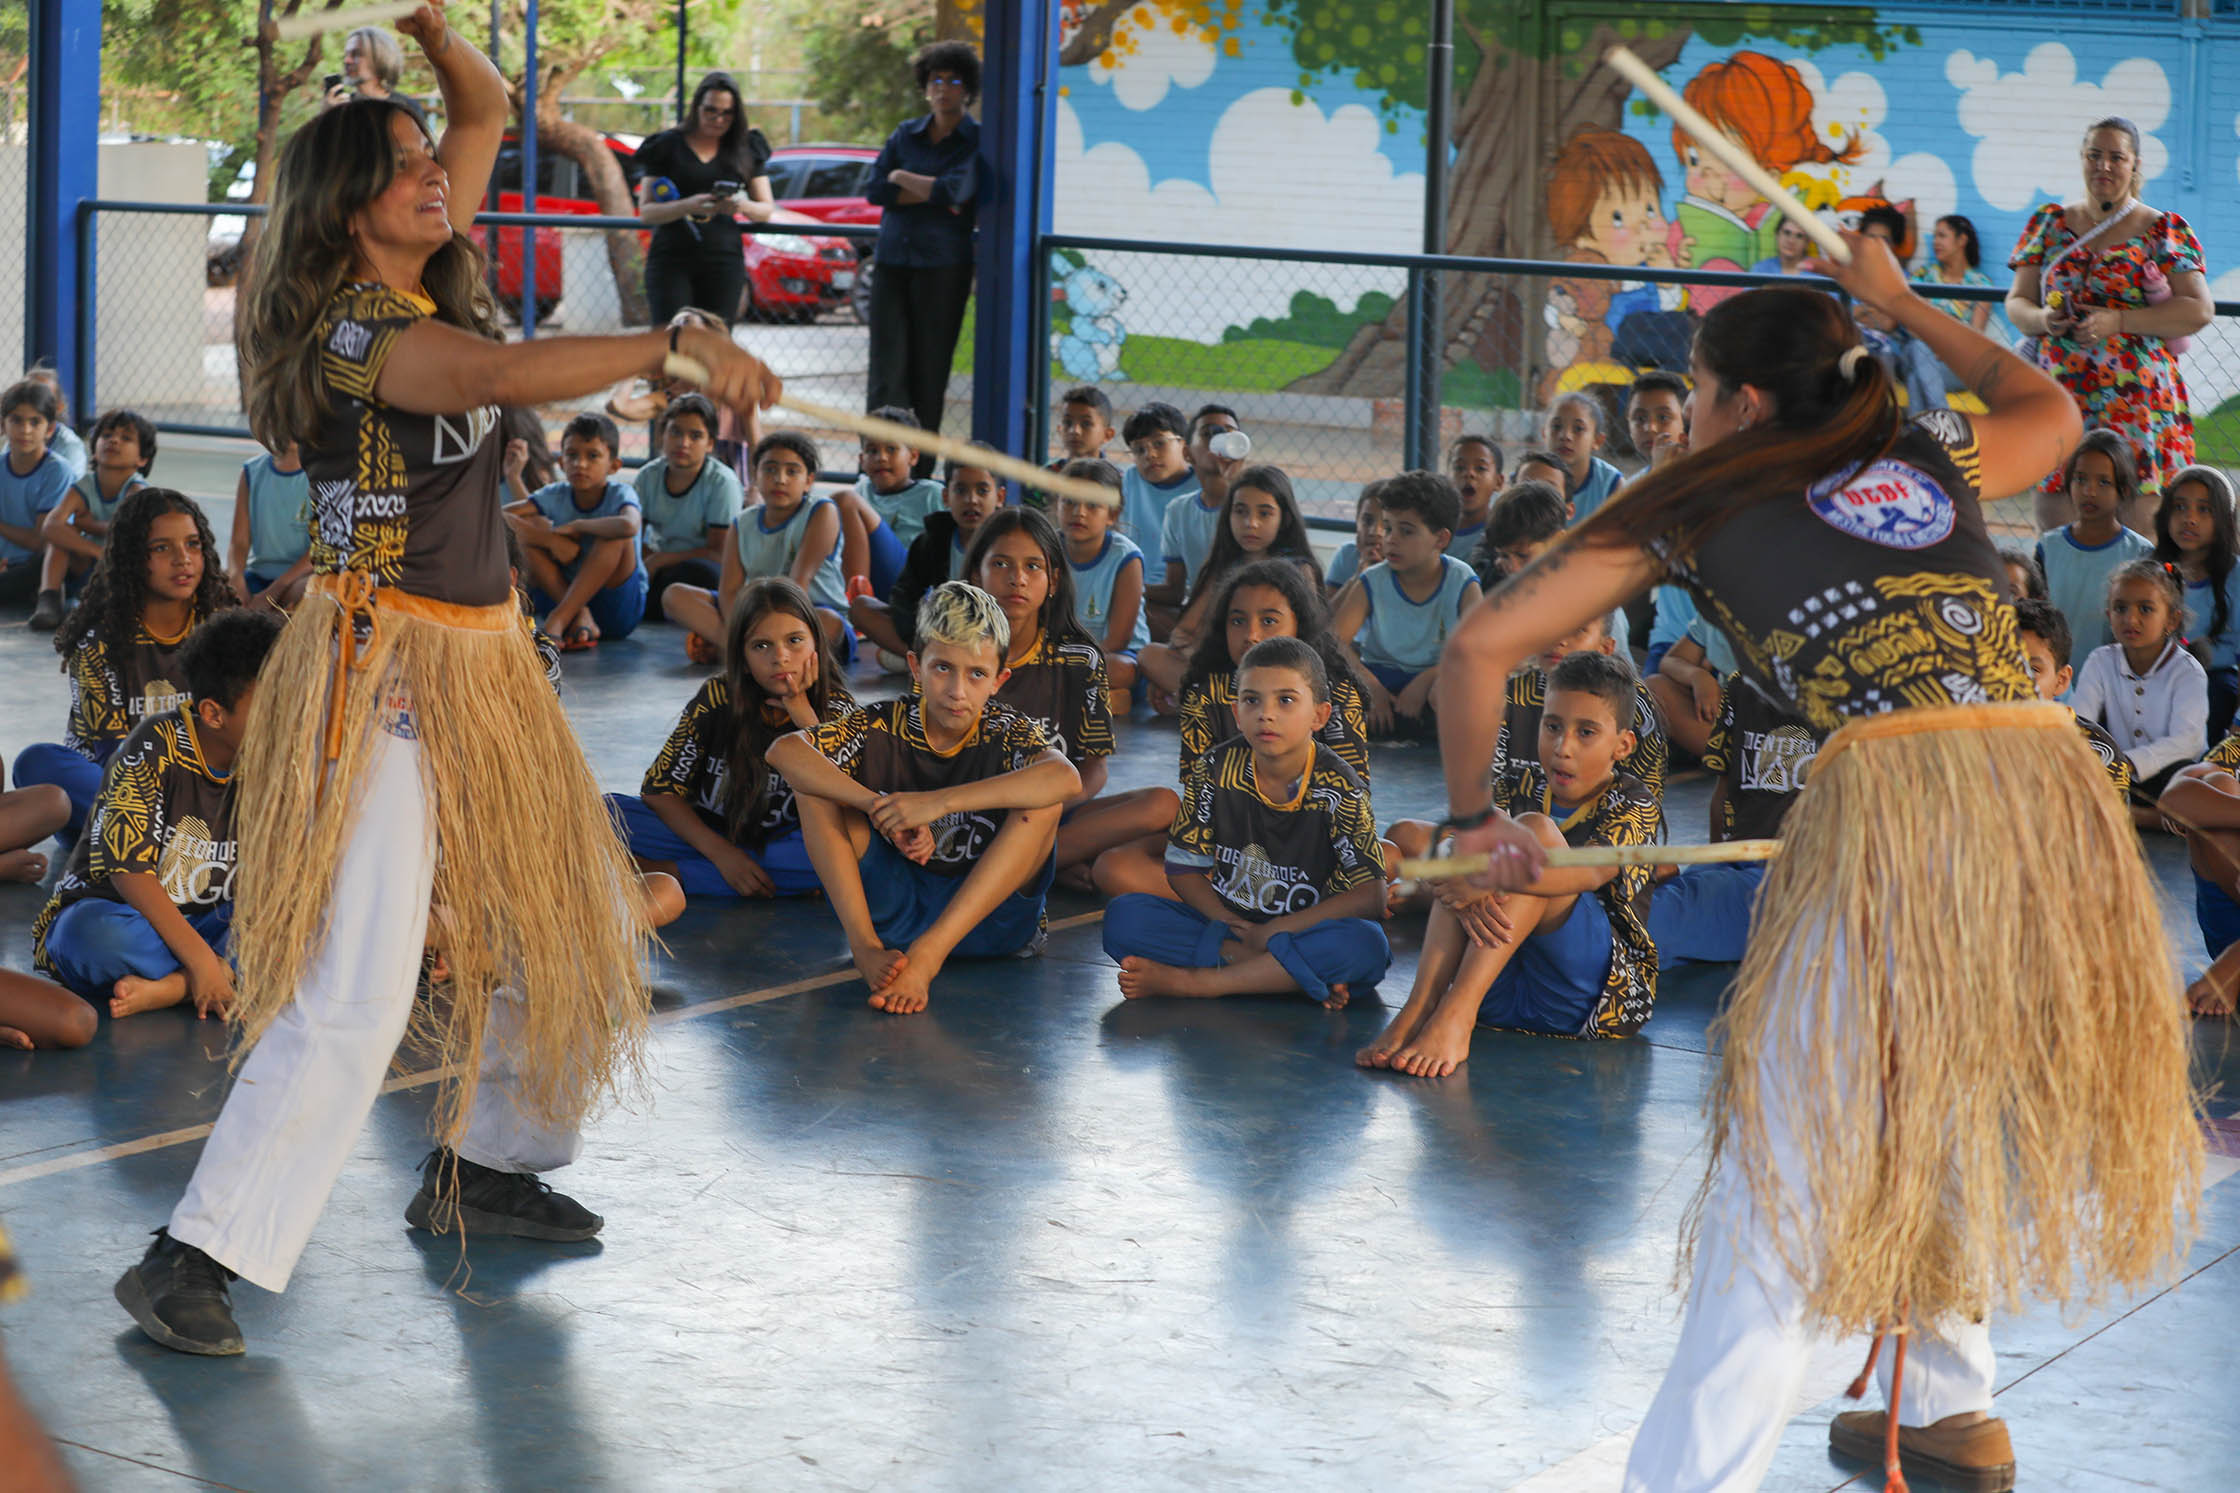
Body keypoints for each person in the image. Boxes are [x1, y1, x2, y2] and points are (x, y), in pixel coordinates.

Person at [1429, 240, 2193, 1493]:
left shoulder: (1690, 496)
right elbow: (2050, 410)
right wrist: (1904, 305)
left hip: (1905, 814)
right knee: (1933, 1095)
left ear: (1738, 403)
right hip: (2045, 809)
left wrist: (1472, 819)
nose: (1682, 415)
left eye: (1695, 390)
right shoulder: (1920, 450)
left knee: (1780, 1160)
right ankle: (1945, 1402)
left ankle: (1685, 1478)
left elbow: (1476, 647)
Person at [111, 11, 782, 1360]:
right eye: (405, 166)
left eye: (431, 163)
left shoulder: (422, 269)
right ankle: (194, 1251)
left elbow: (481, 112)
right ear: (349, 206)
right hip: (386, 669)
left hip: (485, 664)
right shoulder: (354, 331)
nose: (437, 174)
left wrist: (425, 22)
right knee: (360, 982)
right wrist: (667, 346)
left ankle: (487, 1164)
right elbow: (490, 373)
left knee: (565, 925)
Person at [769, 582, 1079, 1016]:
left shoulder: (1006, 729)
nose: (957, 690)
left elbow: (1066, 778)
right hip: (898, 918)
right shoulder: (882, 724)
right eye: (942, 668)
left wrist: (938, 803)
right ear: (915, 666)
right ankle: (864, 947)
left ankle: (930, 954)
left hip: (994, 925)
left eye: (976, 674)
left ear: (999, 680)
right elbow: (784, 751)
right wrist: (880, 808)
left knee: (1044, 801)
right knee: (814, 788)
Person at [1364, 648, 1663, 1077]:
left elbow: (1590, 873)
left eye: (1586, 732)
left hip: (1588, 1000)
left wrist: (1490, 875)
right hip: (1499, 991)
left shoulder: (1635, 802)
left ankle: (1457, 1014)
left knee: (1533, 832)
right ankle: (1421, 1006)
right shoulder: (1518, 783)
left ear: (1623, 745)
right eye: (1552, 726)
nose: (1563, 747)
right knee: (1478, 841)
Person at [1102, 636, 1389, 1009]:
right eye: (1252, 700)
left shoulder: (1339, 785)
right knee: (1124, 918)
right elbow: (1183, 869)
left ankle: (1202, 982)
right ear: (1237, 714)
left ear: (1319, 715)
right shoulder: (1213, 769)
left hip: (1305, 930)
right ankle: (1283, 977)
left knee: (1366, 946)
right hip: (1230, 928)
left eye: (1286, 700)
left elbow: (1371, 895)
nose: (1266, 714)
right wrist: (1228, 921)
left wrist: (1278, 929)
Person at [33, 609, 282, 1021]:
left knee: (307, 925)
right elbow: (129, 873)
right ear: (214, 714)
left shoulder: (281, 758)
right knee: (89, 936)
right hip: (126, 914)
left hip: (212, 920)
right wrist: (201, 960)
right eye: (272, 704)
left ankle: (175, 988)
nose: (288, 716)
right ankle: (216, 974)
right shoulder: (154, 744)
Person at [1092, 559, 1372, 901]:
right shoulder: (1204, 694)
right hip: (1229, 847)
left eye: (1269, 620)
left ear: (1300, 624)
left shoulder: (1337, 693)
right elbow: (1198, 802)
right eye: (1237, 620)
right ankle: (1271, 905)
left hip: (1312, 850)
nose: (1251, 635)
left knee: (1386, 857)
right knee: (1114, 867)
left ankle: (1251, 903)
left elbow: (1355, 802)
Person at [2007, 116, 2212, 526]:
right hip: (2062, 396)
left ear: (2135, 164)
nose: (2104, 165)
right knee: (2057, 517)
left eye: (2116, 157)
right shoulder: (2049, 224)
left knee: (2139, 521)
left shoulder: (2162, 229)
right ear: (2082, 159)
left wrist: (2118, 321)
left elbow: (2198, 309)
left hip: (2136, 401)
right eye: (2094, 155)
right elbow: (2017, 302)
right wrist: (2044, 319)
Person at [610, 577, 851, 908]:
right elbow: (659, 792)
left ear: (817, 647)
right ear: (743, 659)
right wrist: (722, 854)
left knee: (849, 842)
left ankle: (668, 872)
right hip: (703, 835)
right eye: (761, 646)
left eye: (795, 640)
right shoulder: (717, 697)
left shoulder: (836, 707)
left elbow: (851, 797)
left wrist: (805, 720)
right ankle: (736, 877)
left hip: (784, 845)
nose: (780, 657)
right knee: (602, 812)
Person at [14, 488, 235, 848]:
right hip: (118, 790)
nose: (183, 559)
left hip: (198, 789)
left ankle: (163, 838)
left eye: (193, 544)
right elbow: (114, 756)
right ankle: (176, 837)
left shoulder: (220, 629)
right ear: (132, 557)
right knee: (36, 762)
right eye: (161, 548)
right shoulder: (99, 641)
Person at [864, 42, 986, 467]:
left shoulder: (976, 139)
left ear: (968, 90)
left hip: (943, 267)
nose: (943, 89)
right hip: (891, 262)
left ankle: (920, 469)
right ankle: (878, 462)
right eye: (936, 80)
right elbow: (875, 189)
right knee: (886, 371)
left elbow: (955, 191)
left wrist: (902, 178)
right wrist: (928, 189)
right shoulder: (905, 133)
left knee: (929, 373)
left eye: (953, 81)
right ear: (925, 86)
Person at [1647, 675, 1823, 967]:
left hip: (1798, 880)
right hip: (1738, 860)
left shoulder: (1854, 702)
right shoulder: (1742, 686)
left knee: (1642, 920)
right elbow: (1724, 795)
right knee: (1655, 890)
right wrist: (1714, 863)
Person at [1138, 464, 1322, 704]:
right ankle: (1221, 703)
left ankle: (1212, 704)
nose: (1250, 523)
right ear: (1228, 515)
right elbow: (1183, 631)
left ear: (1284, 518)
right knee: (1150, 655)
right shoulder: (1223, 567)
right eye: (1240, 511)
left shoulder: (1299, 570)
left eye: (1264, 513)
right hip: (1225, 670)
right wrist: (1203, 655)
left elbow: (1307, 642)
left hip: (1279, 673)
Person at [666, 430, 851, 659]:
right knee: (675, 596)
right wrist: (739, 626)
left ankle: (740, 652)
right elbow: (729, 591)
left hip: (806, 610)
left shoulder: (822, 511)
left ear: (809, 481)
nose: (780, 479)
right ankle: (747, 651)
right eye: (770, 469)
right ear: (755, 475)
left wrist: (768, 629)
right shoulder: (742, 522)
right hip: (755, 612)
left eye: (792, 471)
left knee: (830, 623)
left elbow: (798, 584)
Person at [1330, 470, 1481, 738]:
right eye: (1389, 527)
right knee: (1330, 686)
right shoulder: (1372, 580)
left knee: (1457, 689)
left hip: (1437, 679)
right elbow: (1334, 642)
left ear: (1441, 539)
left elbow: (1479, 649)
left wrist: (1426, 679)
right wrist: (1371, 686)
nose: (1390, 539)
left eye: (1406, 531)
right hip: (1379, 677)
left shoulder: (1462, 581)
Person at [2069, 558, 2207, 825]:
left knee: (2190, 782)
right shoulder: (2100, 661)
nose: (2130, 619)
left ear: (2172, 619)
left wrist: (2128, 763)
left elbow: (2187, 741)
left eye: (2145, 609)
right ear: (2109, 615)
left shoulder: (2187, 671)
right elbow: (2079, 724)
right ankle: (2143, 818)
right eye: (2120, 608)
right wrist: (2100, 764)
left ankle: (2135, 817)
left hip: (2169, 774)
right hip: (2117, 775)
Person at [633, 72, 775, 326]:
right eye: (711, 111)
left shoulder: (746, 147)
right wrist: (688, 205)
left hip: (723, 257)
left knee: (716, 340)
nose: (718, 119)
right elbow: (646, 212)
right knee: (671, 337)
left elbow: (765, 209)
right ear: (696, 107)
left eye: (727, 113)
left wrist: (739, 206)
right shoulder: (667, 145)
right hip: (671, 257)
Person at [504, 410, 646, 650]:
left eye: (593, 456)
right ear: (561, 462)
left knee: (615, 536)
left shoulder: (620, 494)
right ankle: (578, 613)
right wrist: (550, 540)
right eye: (572, 455)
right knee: (528, 542)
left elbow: (629, 525)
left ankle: (560, 618)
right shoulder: (556, 494)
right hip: (562, 595)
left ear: (614, 465)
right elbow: (501, 516)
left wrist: (578, 526)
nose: (580, 464)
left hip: (616, 610)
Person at [849, 454, 1000, 667]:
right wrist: (918, 632)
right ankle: (927, 659)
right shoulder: (934, 539)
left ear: (1000, 497)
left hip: (990, 637)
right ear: (946, 497)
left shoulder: (1006, 544)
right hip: (943, 633)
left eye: (982, 491)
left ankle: (931, 664)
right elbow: (904, 595)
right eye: (960, 490)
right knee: (861, 608)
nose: (971, 500)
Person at [2035, 430, 2154, 670]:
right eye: (2080, 479)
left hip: (2115, 681)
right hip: (2054, 679)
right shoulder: (2049, 548)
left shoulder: (2140, 554)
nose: (2089, 491)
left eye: (2103, 482)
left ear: (2124, 490)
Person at [37, 407, 155, 617]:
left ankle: (94, 602)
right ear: (94, 448)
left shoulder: (137, 490)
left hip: (121, 568)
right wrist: (97, 552)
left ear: (142, 459)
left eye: (126, 438)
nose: (114, 441)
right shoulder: (85, 484)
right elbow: (50, 526)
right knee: (60, 537)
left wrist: (89, 526)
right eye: (107, 435)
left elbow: (124, 531)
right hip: (91, 561)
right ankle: (49, 599)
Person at [2013, 597, 2134, 801]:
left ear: (2061, 680)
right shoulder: (1968, 738)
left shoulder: (2096, 753)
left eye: (2033, 670)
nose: (2015, 679)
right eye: (2002, 665)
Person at [2155, 464, 2240, 738]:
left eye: (2204, 510)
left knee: (2217, 690)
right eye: (2179, 507)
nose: (2189, 519)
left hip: (2213, 682)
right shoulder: (2151, 571)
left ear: (2224, 520)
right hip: (2156, 675)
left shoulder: (2236, 576)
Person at [1056, 460, 1147, 693]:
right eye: (1069, 501)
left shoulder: (1125, 557)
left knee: (1121, 670)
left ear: (1112, 514)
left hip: (1114, 653)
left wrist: (1071, 663)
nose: (1079, 512)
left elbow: (1118, 640)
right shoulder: (1046, 549)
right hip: (1060, 654)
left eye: (1093, 505)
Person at [837, 406, 945, 600]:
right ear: (862, 460)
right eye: (872, 450)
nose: (881, 458)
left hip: (910, 584)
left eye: (891, 449)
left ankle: (856, 601)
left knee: (845, 499)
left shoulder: (931, 494)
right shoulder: (862, 490)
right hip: (870, 578)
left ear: (913, 456)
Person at [0, 377, 72, 617]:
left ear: (50, 429)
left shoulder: (57, 471)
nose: (25, 430)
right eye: (16, 420)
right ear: (3, 425)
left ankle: (47, 595)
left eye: (35, 421)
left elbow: (40, 540)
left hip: (36, 566)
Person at [228, 439, 313, 609]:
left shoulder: (321, 476)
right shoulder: (251, 471)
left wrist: (274, 591)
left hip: (299, 578)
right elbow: (239, 542)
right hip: (257, 575)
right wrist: (236, 579)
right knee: (220, 589)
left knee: (308, 593)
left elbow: (319, 550)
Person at [1117, 402, 1200, 573]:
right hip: (1135, 579)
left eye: (1159, 443)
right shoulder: (1131, 480)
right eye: (1139, 449)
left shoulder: (1201, 484)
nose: (1150, 455)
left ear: (1184, 445)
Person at [325, 27, 430, 135]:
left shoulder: (405, 107)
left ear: (380, 57)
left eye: (356, 54)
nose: (347, 60)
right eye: (346, 55)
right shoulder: (341, 107)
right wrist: (328, 117)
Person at [1543, 393, 1623, 524]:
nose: (1565, 436)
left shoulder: (1611, 484)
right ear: (1544, 434)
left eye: (1578, 428)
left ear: (1597, 440)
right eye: (1556, 426)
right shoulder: (1528, 475)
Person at [1446, 434, 1504, 555]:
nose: (1469, 473)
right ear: (1447, 478)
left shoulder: (1501, 538)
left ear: (1498, 482)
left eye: (1481, 468)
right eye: (1459, 467)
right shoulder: (1430, 530)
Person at [1324, 480, 1385, 593]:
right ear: (1357, 520)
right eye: (1367, 521)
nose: (1375, 532)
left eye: (1386, 524)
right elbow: (1329, 604)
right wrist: (1357, 577)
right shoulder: (1347, 555)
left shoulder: (1404, 564)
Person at [1053, 385, 1118, 466]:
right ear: (1059, 430)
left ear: (1107, 435)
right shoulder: (1048, 472)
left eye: (1086, 423)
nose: (1074, 431)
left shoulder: (1114, 474)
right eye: (1067, 422)